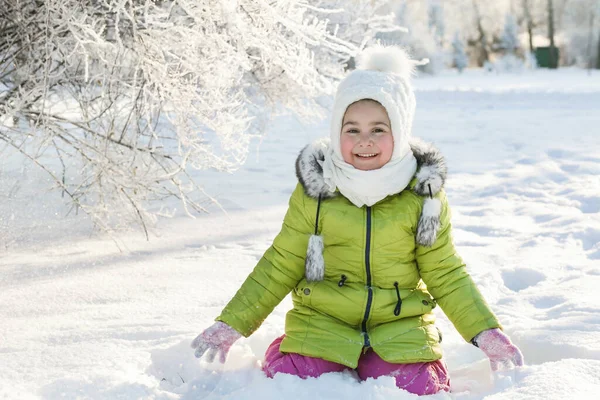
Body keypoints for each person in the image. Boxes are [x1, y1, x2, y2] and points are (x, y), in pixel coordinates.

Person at [191, 45, 524, 396]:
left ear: (400, 132)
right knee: (291, 380)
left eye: (378, 129)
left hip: (399, 325)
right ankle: (288, 351)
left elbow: (444, 270)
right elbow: (282, 262)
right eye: (352, 129)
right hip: (322, 320)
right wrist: (233, 323)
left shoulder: (422, 196)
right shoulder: (316, 192)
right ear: (337, 131)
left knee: (416, 387)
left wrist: (484, 330)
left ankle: (404, 365)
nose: (364, 141)